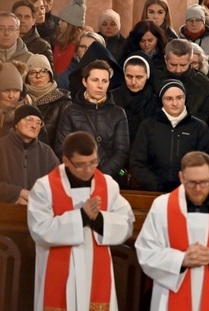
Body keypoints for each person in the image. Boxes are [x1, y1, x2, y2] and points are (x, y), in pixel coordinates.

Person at [135, 151, 209, 311]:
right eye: (192, 183)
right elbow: (146, 252)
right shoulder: (162, 206)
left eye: (204, 182)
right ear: (181, 177)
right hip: (172, 296)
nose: (198, 188)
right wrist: (180, 260)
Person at [27, 131, 135, 311]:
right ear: (66, 161)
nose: (89, 170)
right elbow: (40, 229)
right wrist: (82, 216)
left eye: (93, 162)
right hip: (58, 270)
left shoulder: (108, 185)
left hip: (95, 270)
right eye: (81, 165)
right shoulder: (44, 187)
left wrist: (98, 219)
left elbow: (126, 224)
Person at [130, 80, 209, 192]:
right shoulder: (147, 126)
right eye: (169, 99)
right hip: (153, 192)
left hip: (189, 193)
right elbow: (137, 162)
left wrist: (188, 185)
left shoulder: (199, 127)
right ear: (161, 100)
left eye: (179, 98)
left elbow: (205, 163)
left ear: (185, 98)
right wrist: (155, 186)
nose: (175, 103)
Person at [55, 60, 130, 180]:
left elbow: (121, 151)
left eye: (104, 81)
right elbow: (61, 148)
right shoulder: (70, 111)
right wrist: (82, 173)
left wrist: (100, 176)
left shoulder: (118, 113)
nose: (100, 85)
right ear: (85, 81)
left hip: (108, 180)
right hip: (76, 178)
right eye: (95, 80)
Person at [0, 105, 60, 203]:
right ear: (16, 123)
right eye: (29, 119)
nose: (34, 126)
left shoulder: (46, 153)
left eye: (39, 123)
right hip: (1, 213)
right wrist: (18, 193)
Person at [161, 39, 209, 122]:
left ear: (190, 61)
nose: (178, 70)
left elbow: (207, 119)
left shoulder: (206, 86)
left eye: (183, 65)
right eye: (173, 65)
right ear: (166, 60)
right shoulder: (154, 80)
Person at [111, 53, 160, 145]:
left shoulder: (156, 102)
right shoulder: (111, 98)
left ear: (147, 76)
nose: (133, 82)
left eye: (139, 77)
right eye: (129, 76)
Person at [25, 54, 72, 143]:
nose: (38, 76)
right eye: (32, 72)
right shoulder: (23, 100)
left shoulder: (63, 103)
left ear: (50, 74)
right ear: (27, 77)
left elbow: (64, 140)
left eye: (43, 71)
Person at [53, 0, 87, 76]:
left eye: (63, 21)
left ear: (71, 26)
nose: (59, 22)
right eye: (60, 19)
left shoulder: (78, 47)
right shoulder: (59, 42)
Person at [13, 0, 54, 65]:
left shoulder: (42, 47)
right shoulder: (4, 42)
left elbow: (47, 73)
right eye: (19, 16)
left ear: (33, 20)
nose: (22, 20)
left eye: (27, 17)